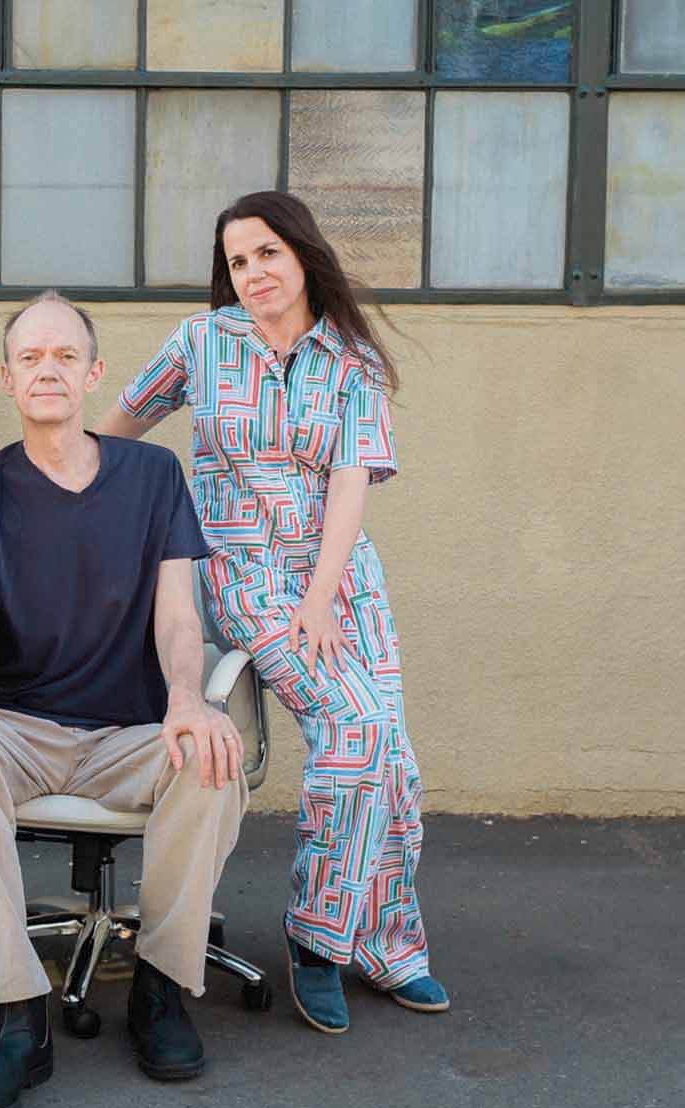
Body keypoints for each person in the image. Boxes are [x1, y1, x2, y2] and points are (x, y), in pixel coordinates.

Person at [97, 190, 450, 1035]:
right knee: (357, 728)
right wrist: (89, 506)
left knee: (390, 758)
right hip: (246, 576)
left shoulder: (351, 360)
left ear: (301, 254)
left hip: (341, 579)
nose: (251, 273)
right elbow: (116, 430)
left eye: (265, 254)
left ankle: (390, 943)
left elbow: (351, 484)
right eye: (236, 261)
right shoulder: (202, 342)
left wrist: (325, 597)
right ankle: (317, 937)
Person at [0, 290, 248, 1108]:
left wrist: (187, 699)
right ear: (7, 378)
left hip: (129, 730)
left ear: (94, 373)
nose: (48, 370)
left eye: (66, 356)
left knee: (211, 759)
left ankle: (162, 986)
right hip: (19, 727)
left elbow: (180, 615)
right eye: (30, 357)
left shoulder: (152, 476)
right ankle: (17, 1013)